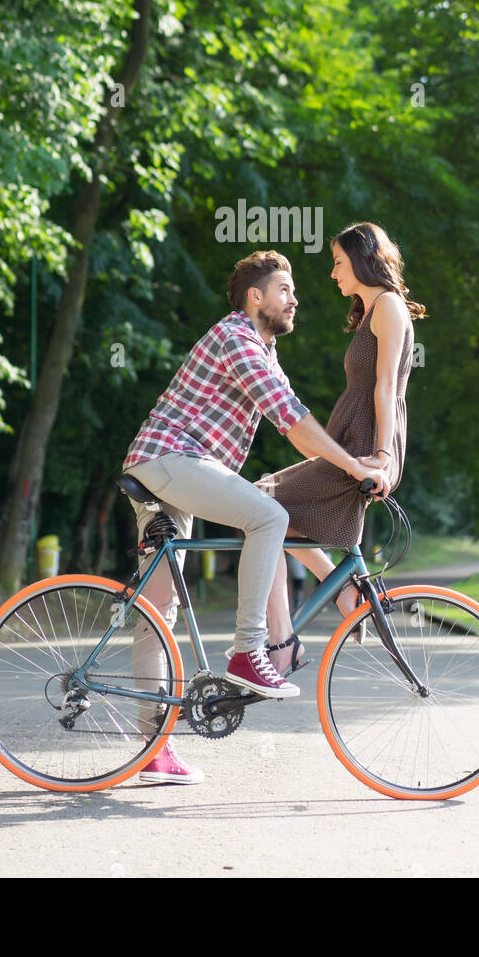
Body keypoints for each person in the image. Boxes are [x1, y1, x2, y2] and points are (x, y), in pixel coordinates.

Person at [120, 249, 391, 785]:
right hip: (171, 459)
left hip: (176, 468)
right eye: (285, 289)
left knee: (159, 609)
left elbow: (292, 412)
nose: (296, 298)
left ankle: (153, 750)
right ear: (256, 296)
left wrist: (340, 471)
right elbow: (291, 420)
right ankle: (249, 651)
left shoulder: (263, 348)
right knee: (267, 517)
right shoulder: (237, 338)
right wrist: (355, 464)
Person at [259, 223, 426, 674]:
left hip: (364, 446)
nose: (333, 273)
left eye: (337, 262)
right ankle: (344, 591)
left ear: (362, 258)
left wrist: (383, 455)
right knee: (272, 515)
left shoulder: (389, 306)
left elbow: (387, 387)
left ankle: (281, 642)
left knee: (259, 503)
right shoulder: (373, 312)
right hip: (349, 441)